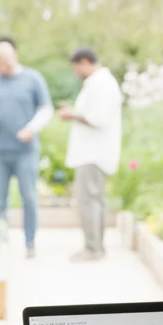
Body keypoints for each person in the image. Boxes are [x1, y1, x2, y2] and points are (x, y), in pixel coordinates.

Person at [0, 36, 53, 258]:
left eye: (6, 61)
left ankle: (30, 242)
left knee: (28, 197)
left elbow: (46, 109)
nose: (3, 66)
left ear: (15, 56)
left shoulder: (32, 79)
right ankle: (1, 241)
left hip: (25, 151)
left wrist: (32, 128)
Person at [58, 47, 122, 261]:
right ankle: (96, 247)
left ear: (84, 62)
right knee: (95, 201)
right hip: (94, 153)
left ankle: (92, 249)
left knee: (89, 201)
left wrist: (71, 115)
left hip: (93, 154)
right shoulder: (99, 83)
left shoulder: (102, 84)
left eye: (76, 67)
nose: (76, 72)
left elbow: (98, 118)